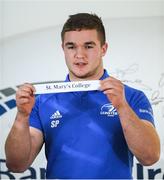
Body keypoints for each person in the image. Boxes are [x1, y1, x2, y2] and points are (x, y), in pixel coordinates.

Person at [5, 13, 160, 179]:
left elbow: (150, 157)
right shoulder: (42, 100)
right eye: (71, 46)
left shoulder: (131, 96)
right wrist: (22, 116)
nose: (79, 55)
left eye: (88, 46)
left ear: (103, 49)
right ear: (63, 49)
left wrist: (122, 107)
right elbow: (17, 165)